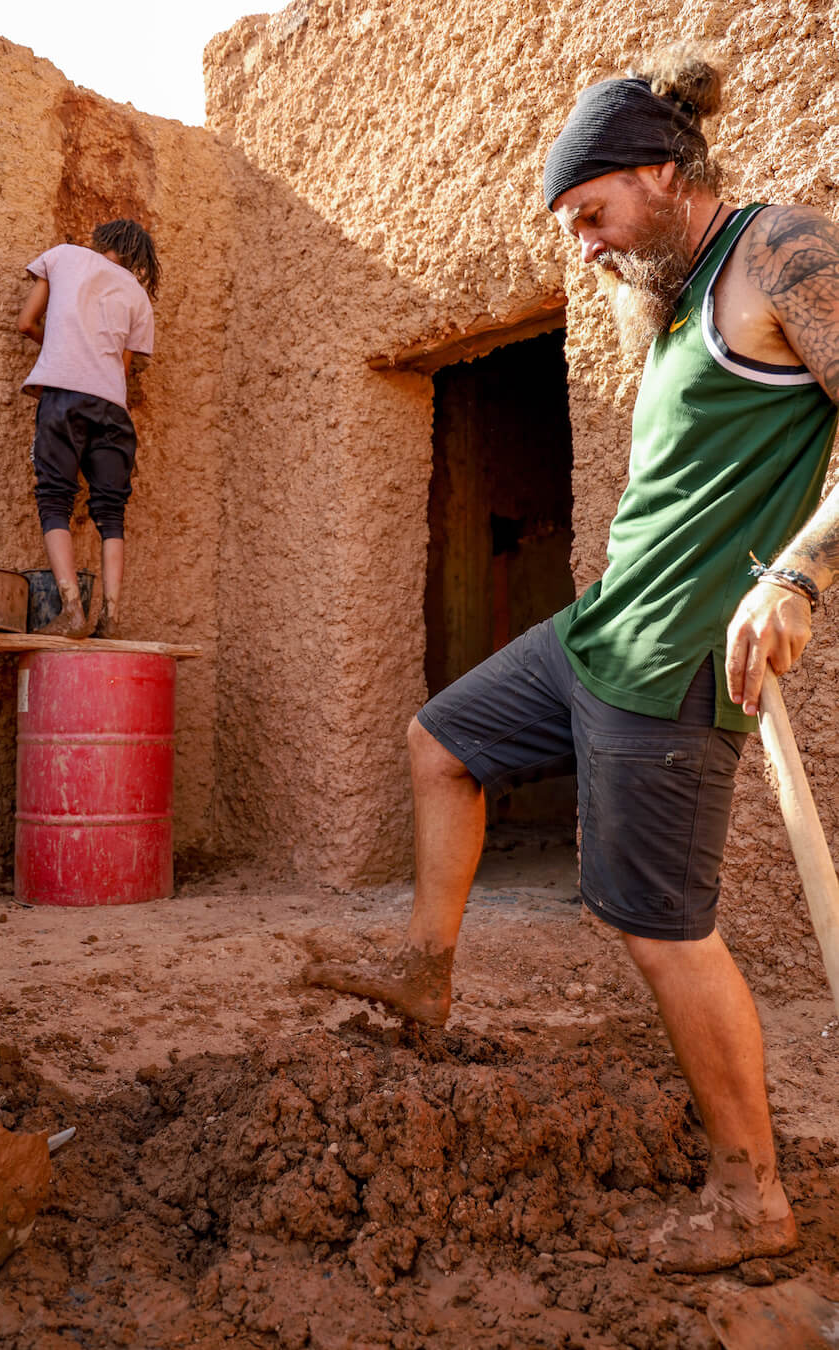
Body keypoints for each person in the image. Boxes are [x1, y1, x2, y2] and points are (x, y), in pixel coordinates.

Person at [306, 48, 839, 1274]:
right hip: (602, 632)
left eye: (594, 216)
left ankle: (751, 1194)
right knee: (440, 742)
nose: (586, 246)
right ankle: (424, 970)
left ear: (660, 173)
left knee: (661, 931)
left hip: (678, 664)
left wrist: (799, 575)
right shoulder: (673, 289)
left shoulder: (780, 255)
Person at [17, 219, 159, 638]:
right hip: (113, 409)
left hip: (63, 397)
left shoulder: (61, 257)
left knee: (55, 498)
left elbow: (25, 323)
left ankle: (71, 611)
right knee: (111, 512)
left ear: (102, 240)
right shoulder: (138, 295)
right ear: (136, 257)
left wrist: (60, 345)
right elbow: (121, 369)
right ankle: (111, 618)